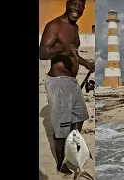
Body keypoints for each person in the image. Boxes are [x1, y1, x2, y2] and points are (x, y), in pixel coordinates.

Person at [39, 0, 94, 178]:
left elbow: (73, 52)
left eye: (81, 6)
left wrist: (86, 64)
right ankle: (60, 164)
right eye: (75, 4)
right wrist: (62, 47)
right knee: (61, 129)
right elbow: (42, 53)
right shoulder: (54, 25)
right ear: (67, 4)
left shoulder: (75, 28)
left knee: (79, 117)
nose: (77, 9)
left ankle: (73, 153)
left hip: (72, 82)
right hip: (58, 82)